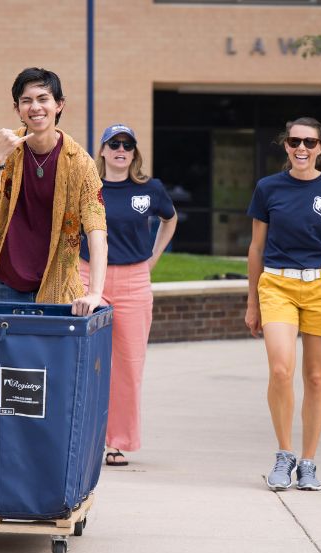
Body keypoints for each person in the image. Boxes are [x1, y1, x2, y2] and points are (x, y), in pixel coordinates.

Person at [245, 117, 321, 491]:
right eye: (295, 141)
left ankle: (309, 463)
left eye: (309, 143)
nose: (301, 148)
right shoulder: (268, 188)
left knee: (315, 377)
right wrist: (252, 302)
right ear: (285, 145)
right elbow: (256, 248)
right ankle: (284, 455)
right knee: (281, 370)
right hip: (277, 284)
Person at [0, 67, 107, 316]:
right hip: (9, 283)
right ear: (18, 109)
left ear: (59, 105)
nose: (35, 107)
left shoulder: (81, 163)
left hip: (60, 284)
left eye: (43, 99)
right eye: (27, 101)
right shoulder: (0, 149)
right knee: (10, 356)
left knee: (54, 356)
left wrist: (95, 293)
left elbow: (97, 231)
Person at [79, 124, 177, 466]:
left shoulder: (150, 189)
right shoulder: (88, 186)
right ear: (103, 151)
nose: (121, 149)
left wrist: (154, 257)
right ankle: (81, 435)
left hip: (135, 283)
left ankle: (117, 442)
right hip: (88, 278)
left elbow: (170, 219)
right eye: (114, 144)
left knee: (128, 367)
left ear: (134, 153)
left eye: (128, 145)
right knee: (86, 361)